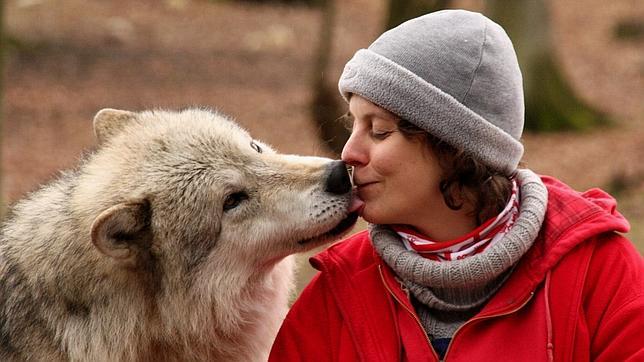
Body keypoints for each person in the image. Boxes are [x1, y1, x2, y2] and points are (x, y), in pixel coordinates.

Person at [269, 9, 643, 361]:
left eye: (379, 131)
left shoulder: (600, 274)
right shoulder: (338, 292)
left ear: (452, 147)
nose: (349, 153)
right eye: (354, 126)